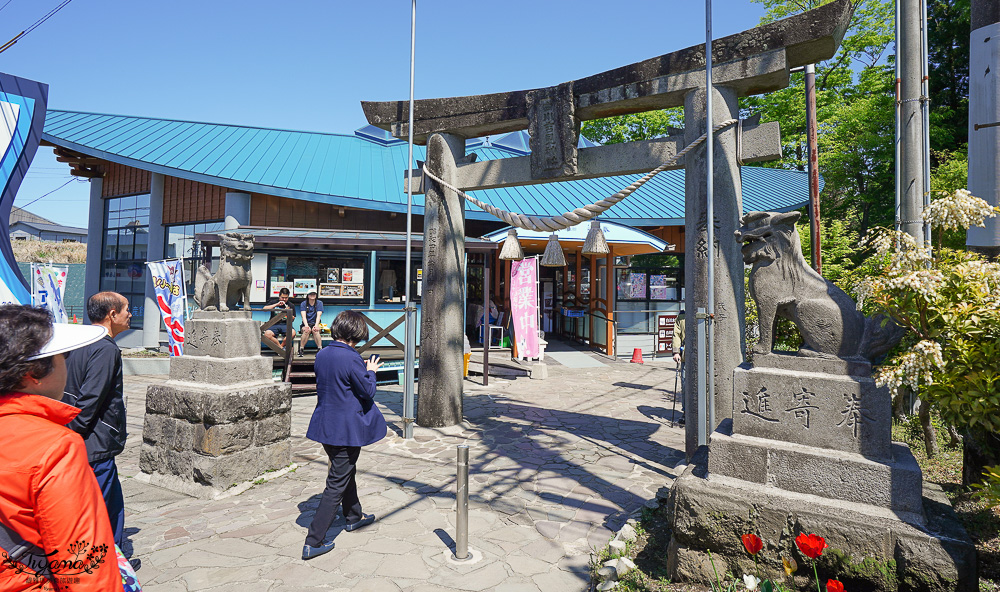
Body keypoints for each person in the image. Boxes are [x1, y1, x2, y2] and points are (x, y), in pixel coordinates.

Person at [0, 304, 121, 591]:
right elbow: (83, 562)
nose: (67, 363)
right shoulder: (56, 447)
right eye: (63, 356)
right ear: (34, 372)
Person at [302, 310, 385, 560]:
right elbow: (367, 390)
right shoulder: (352, 358)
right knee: (336, 482)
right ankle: (314, 540)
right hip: (346, 429)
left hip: (325, 425)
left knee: (345, 471)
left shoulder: (322, 354)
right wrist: (371, 371)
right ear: (356, 333)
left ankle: (353, 516)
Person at [63, 291, 132, 550]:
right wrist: (74, 432)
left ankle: (115, 558)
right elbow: (90, 398)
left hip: (83, 440)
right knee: (101, 510)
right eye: (126, 309)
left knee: (111, 504)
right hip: (94, 442)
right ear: (112, 314)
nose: (130, 314)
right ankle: (107, 562)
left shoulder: (78, 342)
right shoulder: (104, 348)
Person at [297, 291, 324, 356]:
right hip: (305, 323)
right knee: (307, 331)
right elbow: (303, 316)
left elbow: (318, 316)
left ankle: (320, 349)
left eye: (314, 294)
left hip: (316, 323)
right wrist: (306, 326)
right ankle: (301, 349)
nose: (312, 295)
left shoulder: (319, 303)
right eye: (310, 294)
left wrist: (316, 325)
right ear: (308, 295)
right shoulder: (303, 303)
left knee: (315, 331)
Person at [672, 310, 686, 426]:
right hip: (686, 356)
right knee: (686, 385)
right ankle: (686, 412)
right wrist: (676, 352)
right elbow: (676, 334)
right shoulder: (681, 317)